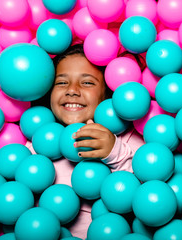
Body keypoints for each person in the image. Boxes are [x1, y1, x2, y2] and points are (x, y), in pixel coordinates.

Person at [27, 44, 145, 238]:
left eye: (87, 83)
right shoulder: (37, 144)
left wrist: (114, 152)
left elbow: (145, 196)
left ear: (107, 93)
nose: (72, 90)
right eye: (61, 83)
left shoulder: (126, 139)